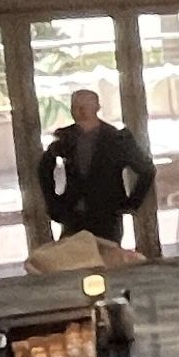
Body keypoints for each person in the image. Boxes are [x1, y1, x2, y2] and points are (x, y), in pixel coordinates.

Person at [37, 87, 150, 246]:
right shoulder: (65, 138)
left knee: (106, 254)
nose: (80, 111)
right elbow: (44, 169)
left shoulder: (116, 138)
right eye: (76, 106)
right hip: (74, 211)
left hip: (107, 212)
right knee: (73, 255)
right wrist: (53, 202)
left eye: (85, 106)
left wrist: (131, 203)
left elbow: (146, 170)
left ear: (97, 107)